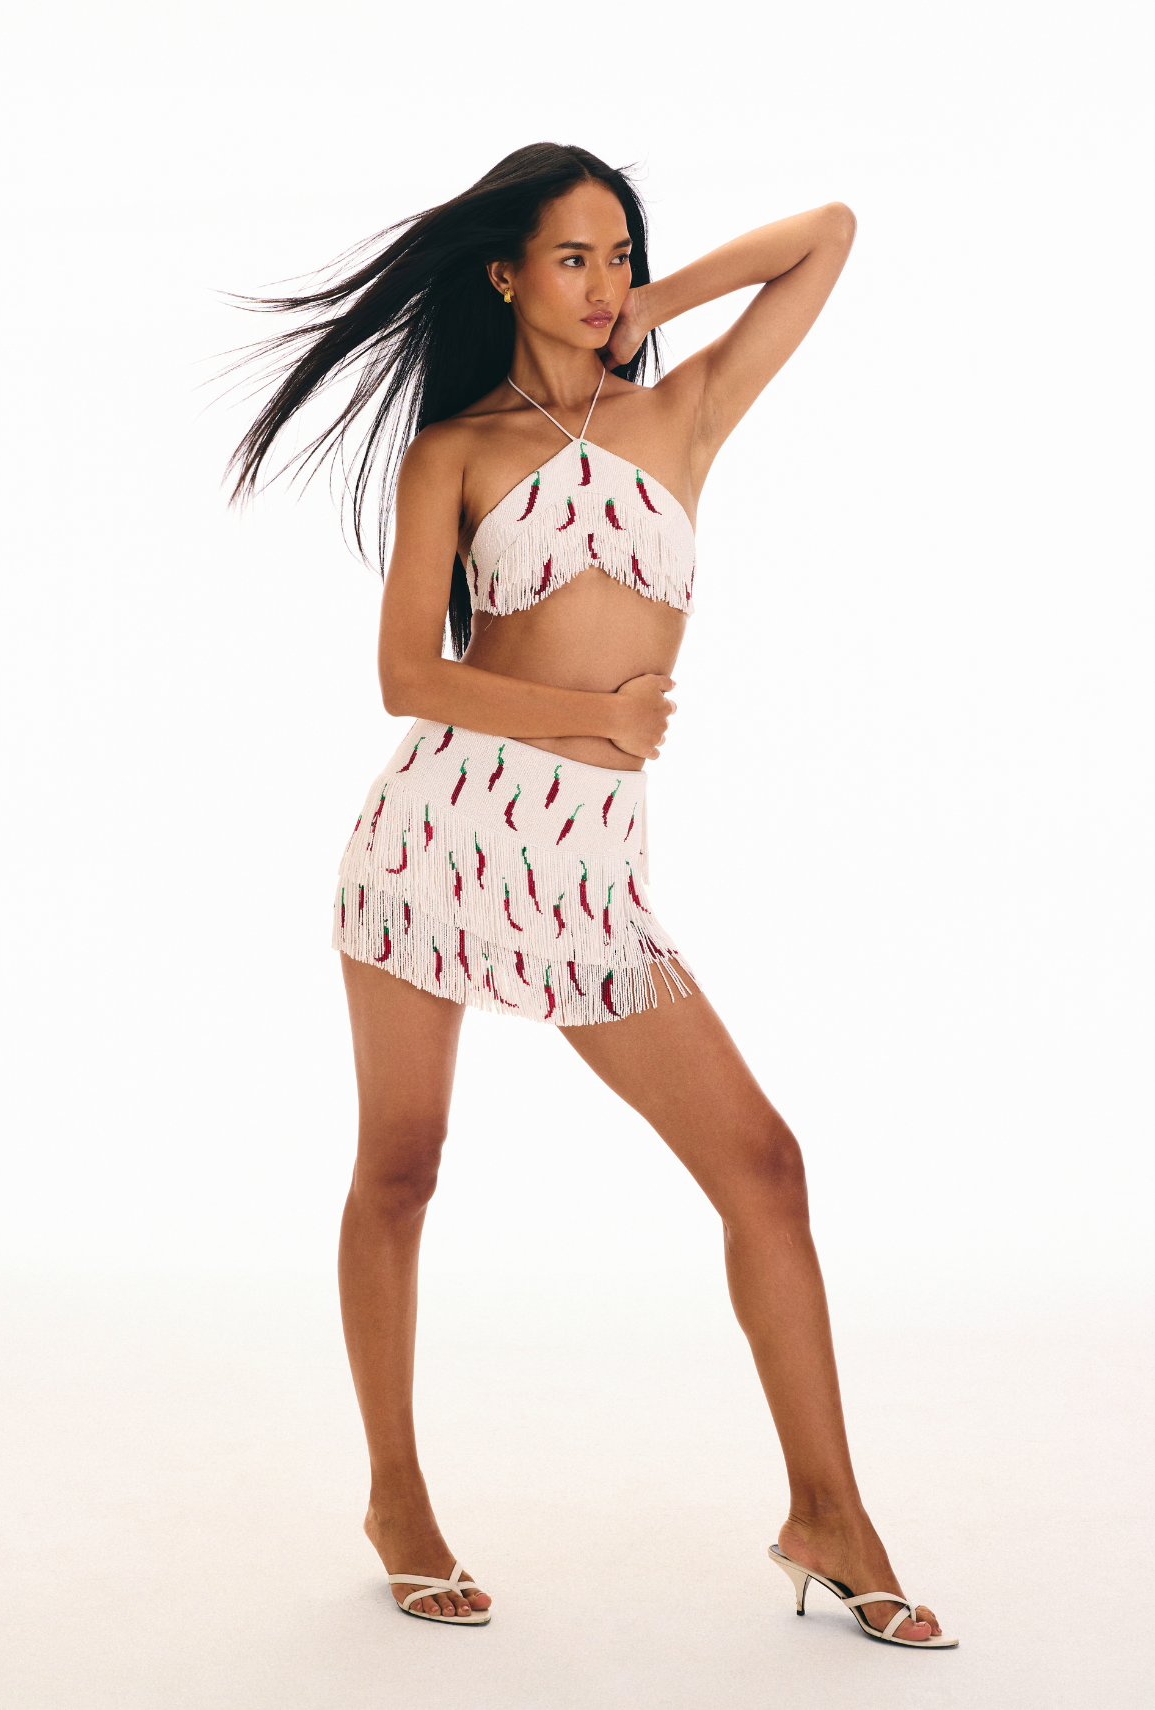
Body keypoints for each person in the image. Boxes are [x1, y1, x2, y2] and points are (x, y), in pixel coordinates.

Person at [227, 143, 956, 1648]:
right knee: (403, 1169)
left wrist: (657, 307)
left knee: (762, 1164)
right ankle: (395, 1492)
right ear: (503, 273)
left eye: (617, 252)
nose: (602, 278)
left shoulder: (680, 412)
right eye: (573, 256)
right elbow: (402, 678)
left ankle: (827, 1509)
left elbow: (825, 233)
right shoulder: (459, 452)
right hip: (436, 845)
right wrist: (589, 725)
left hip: (589, 880)